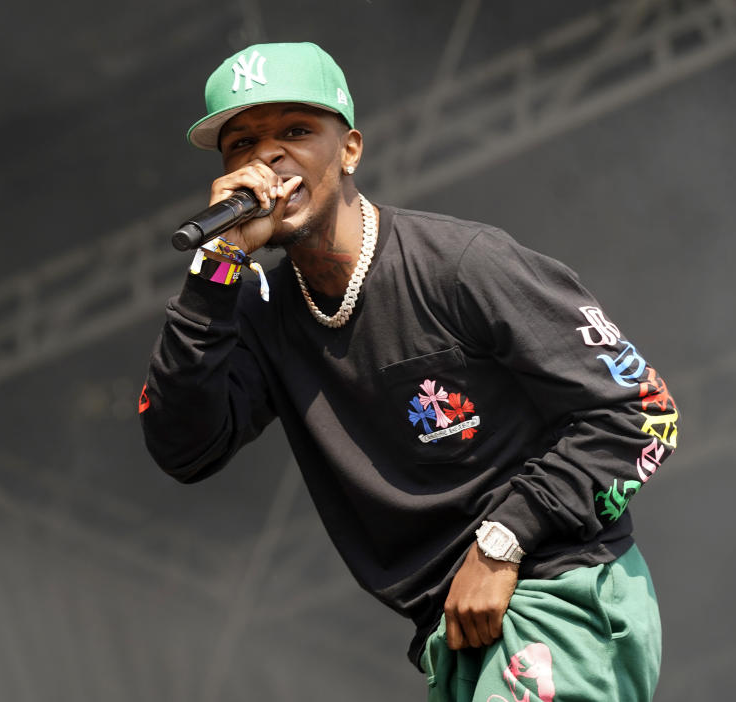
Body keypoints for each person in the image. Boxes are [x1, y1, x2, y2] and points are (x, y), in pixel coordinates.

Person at [139, 41, 679, 702]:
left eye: (296, 131)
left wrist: (504, 540)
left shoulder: (460, 264)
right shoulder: (261, 310)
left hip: (558, 587)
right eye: (241, 142)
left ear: (351, 150)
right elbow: (183, 447)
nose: (266, 156)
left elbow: (643, 411)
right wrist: (216, 269)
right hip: (450, 635)